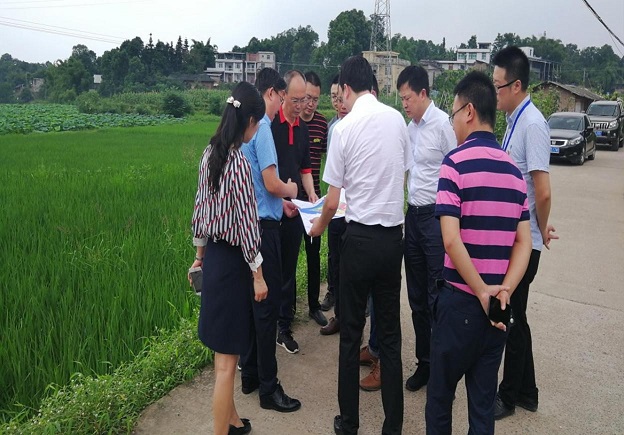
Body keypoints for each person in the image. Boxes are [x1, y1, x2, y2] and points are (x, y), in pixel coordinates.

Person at [425, 71, 533, 435]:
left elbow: (451, 240)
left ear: (469, 111)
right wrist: (503, 290)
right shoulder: (513, 172)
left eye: (454, 114)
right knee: (482, 409)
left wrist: (481, 291)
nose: (453, 123)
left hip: (460, 304)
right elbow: (523, 242)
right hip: (497, 311)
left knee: (440, 399)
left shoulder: (454, 163)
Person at [310, 55, 409, 435]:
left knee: (351, 334)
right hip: (392, 241)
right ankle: (392, 427)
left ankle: (349, 423)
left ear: (348, 88)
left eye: (341, 94)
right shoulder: (397, 120)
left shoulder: (344, 128)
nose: (341, 101)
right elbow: (400, 174)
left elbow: (332, 201)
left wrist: (318, 227)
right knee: (391, 336)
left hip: (360, 240)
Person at [189, 82, 267, 435]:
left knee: (221, 354)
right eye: (257, 124)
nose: (257, 130)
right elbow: (248, 225)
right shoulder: (239, 164)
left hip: (214, 261)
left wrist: (199, 257)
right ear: (249, 121)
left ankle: (232, 421)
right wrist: (259, 275)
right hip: (234, 265)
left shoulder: (210, 153)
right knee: (225, 366)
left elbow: (199, 209)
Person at [492, 46, 558, 420]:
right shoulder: (514, 119)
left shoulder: (532, 124)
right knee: (518, 313)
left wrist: (541, 229)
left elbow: (542, 190)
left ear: (516, 86)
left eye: (498, 86)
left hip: (525, 243)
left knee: (512, 319)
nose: (495, 92)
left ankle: (508, 396)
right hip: (518, 237)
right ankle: (528, 392)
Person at [239, 67, 301, 413]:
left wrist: (281, 205)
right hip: (265, 233)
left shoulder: (245, 129)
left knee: (252, 308)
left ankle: (250, 375)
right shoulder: (262, 128)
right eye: (282, 98)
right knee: (267, 310)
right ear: (272, 94)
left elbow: (258, 188)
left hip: (251, 227)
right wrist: (290, 189)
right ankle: (269, 388)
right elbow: (272, 183)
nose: (281, 107)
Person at [397, 65, 457, 393]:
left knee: (438, 294)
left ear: (423, 93)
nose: (404, 104)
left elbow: (458, 170)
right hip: (414, 216)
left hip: (437, 218)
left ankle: (443, 367)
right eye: (401, 99)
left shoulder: (444, 125)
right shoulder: (410, 129)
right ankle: (425, 363)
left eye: (408, 98)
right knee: (417, 296)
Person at [272, 70, 319, 354]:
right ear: (283, 95)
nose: (302, 105)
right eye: (297, 100)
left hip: (294, 211)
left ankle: (283, 327)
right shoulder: (269, 126)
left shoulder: (302, 129)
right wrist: (278, 202)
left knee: (289, 270)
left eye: (305, 99)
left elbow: (305, 168)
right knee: (268, 270)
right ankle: (263, 326)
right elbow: (262, 176)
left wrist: (310, 193)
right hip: (269, 212)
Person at [300, 70, 328, 327]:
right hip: (289, 201)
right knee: (287, 257)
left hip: (313, 201)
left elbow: (327, 159)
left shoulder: (321, 123)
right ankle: (285, 309)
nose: (310, 104)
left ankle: (313, 306)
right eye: (307, 97)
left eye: (315, 99)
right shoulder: (290, 122)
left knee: (313, 255)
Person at [320, 74, 348, 320]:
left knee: (352, 253)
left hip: (353, 203)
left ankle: (354, 301)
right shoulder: (331, 128)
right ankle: (333, 293)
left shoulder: (356, 127)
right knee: (334, 250)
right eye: (334, 98)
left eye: (341, 97)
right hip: (335, 201)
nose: (338, 103)